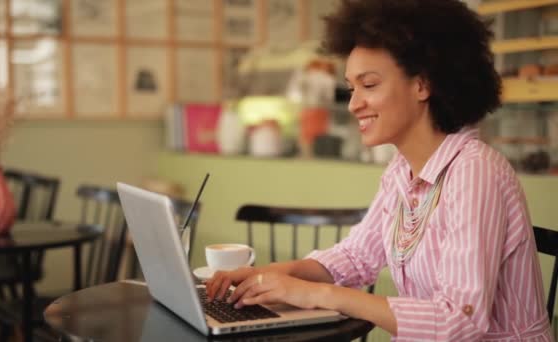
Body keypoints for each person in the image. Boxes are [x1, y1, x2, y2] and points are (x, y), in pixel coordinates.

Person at [206, 0, 552, 340]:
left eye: (369, 85)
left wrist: (315, 294)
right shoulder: (402, 170)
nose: (354, 103)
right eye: (352, 87)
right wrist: (266, 276)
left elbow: (456, 323)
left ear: (422, 84)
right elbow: (356, 257)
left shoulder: (475, 172)